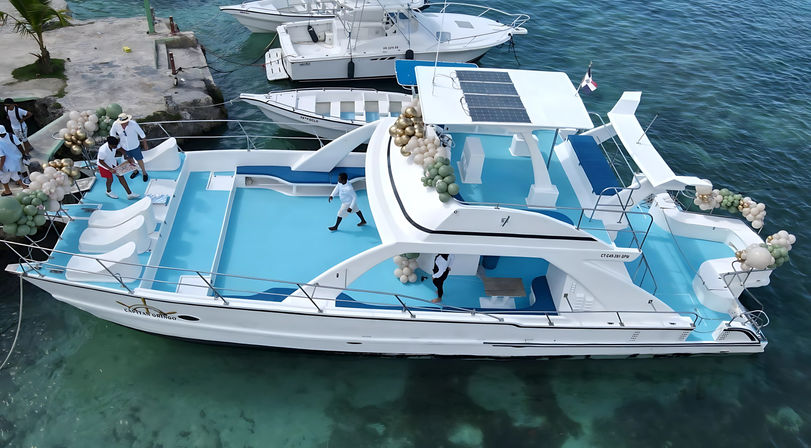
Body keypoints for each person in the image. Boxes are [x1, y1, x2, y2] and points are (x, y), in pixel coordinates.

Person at [109, 113, 149, 182]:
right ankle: (135, 171)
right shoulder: (115, 124)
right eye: (122, 123)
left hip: (135, 146)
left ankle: (144, 173)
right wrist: (117, 144)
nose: (124, 124)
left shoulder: (133, 124)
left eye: (125, 122)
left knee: (139, 160)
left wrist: (145, 144)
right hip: (125, 147)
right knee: (130, 160)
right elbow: (112, 134)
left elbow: (142, 134)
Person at [97, 136, 139, 200]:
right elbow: (101, 161)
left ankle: (129, 194)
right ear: (110, 145)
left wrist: (127, 156)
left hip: (112, 161)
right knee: (110, 179)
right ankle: (108, 191)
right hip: (104, 166)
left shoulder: (115, 145)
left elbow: (121, 149)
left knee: (121, 176)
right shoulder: (102, 150)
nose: (116, 147)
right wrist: (110, 169)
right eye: (114, 146)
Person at [0, 125, 26, 195]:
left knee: (3, 178)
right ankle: (24, 186)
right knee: (14, 175)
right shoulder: (9, 136)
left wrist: (0, 166)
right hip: (10, 162)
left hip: (6, 164)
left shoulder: (6, 139)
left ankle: (7, 191)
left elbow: (2, 157)